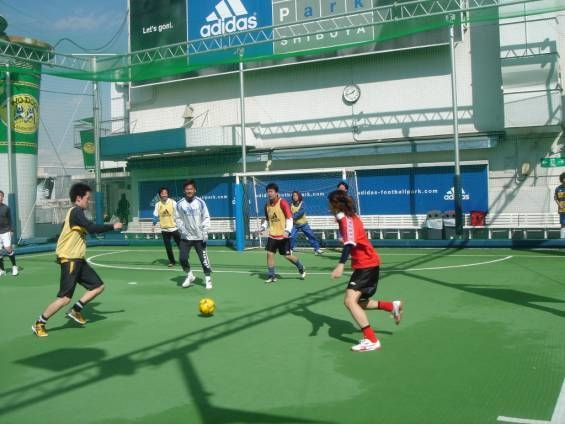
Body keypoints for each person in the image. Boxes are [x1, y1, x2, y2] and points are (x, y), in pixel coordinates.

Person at [31, 183, 122, 337]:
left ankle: (75, 310)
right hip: (70, 260)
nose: (89, 201)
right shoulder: (76, 212)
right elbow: (91, 228)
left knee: (98, 286)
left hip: (78, 259)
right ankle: (39, 323)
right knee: (64, 298)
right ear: (78, 198)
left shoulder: (76, 213)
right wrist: (112, 226)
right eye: (87, 198)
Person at [328, 189, 403, 352]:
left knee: (349, 301)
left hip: (366, 264)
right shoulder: (347, 218)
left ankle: (372, 340)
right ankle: (391, 306)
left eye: (330, 204)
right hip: (365, 264)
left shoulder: (348, 220)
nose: (328, 207)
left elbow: (349, 244)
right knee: (358, 302)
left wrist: (340, 264)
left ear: (336, 204)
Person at [258, 183, 306, 283]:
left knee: (287, 256)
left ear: (276, 193)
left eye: (271, 191)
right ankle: (272, 275)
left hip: (283, 235)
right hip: (272, 235)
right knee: (269, 254)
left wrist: (287, 231)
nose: (269, 193)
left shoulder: (283, 202)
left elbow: (289, 218)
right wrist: (262, 228)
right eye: (268, 192)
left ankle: (300, 266)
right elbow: (267, 219)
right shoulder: (267, 205)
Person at [175, 180, 213, 289]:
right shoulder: (179, 204)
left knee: (203, 259)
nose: (189, 191)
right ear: (184, 191)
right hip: (186, 237)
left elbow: (206, 217)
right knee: (182, 258)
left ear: (195, 190)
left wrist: (205, 231)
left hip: (199, 237)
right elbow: (177, 218)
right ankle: (190, 275)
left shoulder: (200, 202)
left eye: (191, 189)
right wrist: (182, 229)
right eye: (187, 189)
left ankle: (208, 278)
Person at [152, 187, 181, 267]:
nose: (164, 195)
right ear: (160, 195)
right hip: (164, 230)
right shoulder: (158, 204)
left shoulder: (173, 202)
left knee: (180, 245)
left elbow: (178, 214)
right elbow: (155, 215)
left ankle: (184, 259)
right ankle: (172, 261)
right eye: (162, 193)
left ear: (168, 194)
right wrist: (153, 225)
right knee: (168, 247)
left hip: (174, 228)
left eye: (165, 193)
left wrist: (180, 225)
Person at [289, 190, 323, 255]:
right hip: (295, 225)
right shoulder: (290, 204)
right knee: (292, 236)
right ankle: (290, 249)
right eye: (293, 196)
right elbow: (289, 213)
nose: (294, 197)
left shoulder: (302, 203)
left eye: (296, 195)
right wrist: (290, 218)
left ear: (299, 196)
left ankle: (317, 249)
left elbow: (301, 213)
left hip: (304, 224)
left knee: (311, 235)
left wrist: (292, 217)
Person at [0, 190, 18, 276]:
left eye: (0, 196)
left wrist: (11, 230)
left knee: (8, 249)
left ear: (2, 197)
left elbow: (10, 219)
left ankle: (14, 267)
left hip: (6, 231)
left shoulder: (6, 208)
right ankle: (2, 270)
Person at [554, 172, 565, 239]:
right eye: (564, 178)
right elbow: (555, 198)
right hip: (562, 210)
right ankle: (562, 239)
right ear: (561, 179)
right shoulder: (558, 188)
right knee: (563, 224)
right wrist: (559, 205)